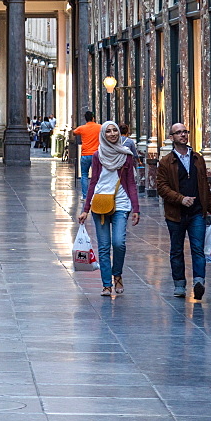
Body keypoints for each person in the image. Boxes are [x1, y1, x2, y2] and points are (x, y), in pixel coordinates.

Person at [157, 122, 211, 300]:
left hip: (197, 213)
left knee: (197, 248)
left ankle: (199, 282)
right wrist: (180, 199)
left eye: (185, 132)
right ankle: (179, 284)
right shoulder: (166, 162)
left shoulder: (198, 158)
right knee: (176, 250)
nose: (183, 135)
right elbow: (161, 187)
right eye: (179, 133)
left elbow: (204, 186)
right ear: (172, 137)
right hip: (175, 214)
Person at [78, 120, 140, 297]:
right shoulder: (98, 156)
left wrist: (136, 208)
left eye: (115, 131)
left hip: (121, 203)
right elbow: (94, 182)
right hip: (100, 204)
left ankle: (117, 274)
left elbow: (131, 183)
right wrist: (85, 208)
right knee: (104, 247)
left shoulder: (126, 155)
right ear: (103, 135)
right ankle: (106, 284)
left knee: (119, 243)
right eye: (108, 131)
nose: (112, 134)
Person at [73, 111, 102, 202]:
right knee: (96, 175)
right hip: (96, 154)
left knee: (84, 175)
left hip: (85, 154)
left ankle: (85, 196)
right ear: (93, 118)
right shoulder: (99, 127)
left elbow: (74, 132)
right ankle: (96, 194)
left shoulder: (82, 128)